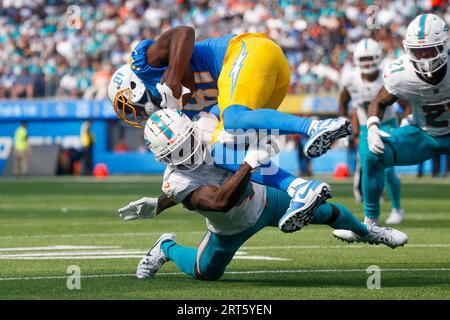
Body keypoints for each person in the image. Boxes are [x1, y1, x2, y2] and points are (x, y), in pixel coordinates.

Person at [107, 27, 353, 231]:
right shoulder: (181, 113)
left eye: (131, 106)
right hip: (271, 79)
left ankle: (317, 126)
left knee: (233, 119)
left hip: (248, 51)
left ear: (134, 86)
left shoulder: (146, 63)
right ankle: (300, 188)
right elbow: (198, 168)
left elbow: (184, 32)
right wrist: (161, 203)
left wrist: (172, 77)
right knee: (219, 148)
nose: (138, 113)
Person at [118, 109, 407, 281]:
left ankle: (367, 231)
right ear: (163, 158)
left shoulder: (207, 126)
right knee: (205, 272)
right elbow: (219, 201)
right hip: (229, 227)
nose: (187, 153)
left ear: (191, 127)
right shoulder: (175, 180)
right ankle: (165, 248)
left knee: (327, 212)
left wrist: (158, 205)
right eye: (176, 153)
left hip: (265, 199)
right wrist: (250, 162)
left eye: (187, 143)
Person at [334, 14, 450, 242]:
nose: (424, 58)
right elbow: (379, 101)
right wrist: (373, 126)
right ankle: (369, 227)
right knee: (370, 153)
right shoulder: (400, 73)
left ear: (444, 45)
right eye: (418, 52)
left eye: (431, 50)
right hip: (424, 134)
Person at [338, 38, 408, 225]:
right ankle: (370, 216)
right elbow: (343, 101)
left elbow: (404, 102)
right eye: (364, 58)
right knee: (368, 168)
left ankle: (397, 208)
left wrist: (406, 122)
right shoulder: (351, 79)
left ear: (378, 57)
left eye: (371, 58)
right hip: (364, 129)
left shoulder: (388, 75)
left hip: (387, 124)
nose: (368, 62)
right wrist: (344, 125)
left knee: (388, 171)